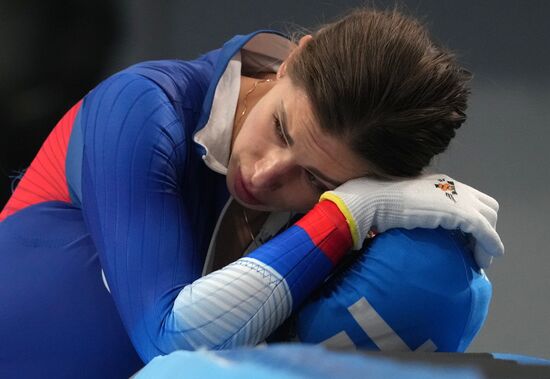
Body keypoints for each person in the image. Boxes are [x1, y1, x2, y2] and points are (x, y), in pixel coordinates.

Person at [0, 7, 503, 378]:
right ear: (292, 60)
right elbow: (168, 340)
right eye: (282, 129)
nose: (263, 176)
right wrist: (349, 210)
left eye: (316, 180)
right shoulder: (141, 106)